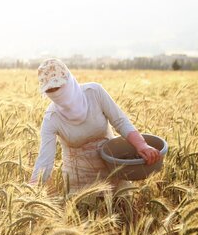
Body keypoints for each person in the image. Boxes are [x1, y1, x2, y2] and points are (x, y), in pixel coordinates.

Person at [30, 58, 161, 192]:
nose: (56, 94)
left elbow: (120, 121)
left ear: (69, 81)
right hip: (79, 181)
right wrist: (32, 190)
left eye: (58, 87)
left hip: (113, 171)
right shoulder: (51, 118)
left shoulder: (94, 92)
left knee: (120, 209)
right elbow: (45, 159)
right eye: (50, 90)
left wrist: (141, 144)